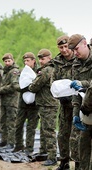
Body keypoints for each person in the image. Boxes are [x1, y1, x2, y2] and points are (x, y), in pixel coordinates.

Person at [51, 35, 80, 170]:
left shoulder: (79, 59)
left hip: (77, 103)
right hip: (64, 104)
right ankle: (64, 162)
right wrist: (59, 96)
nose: (64, 50)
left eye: (66, 46)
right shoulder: (57, 62)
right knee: (62, 134)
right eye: (61, 47)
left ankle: (79, 163)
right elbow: (53, 83)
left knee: (76, 135)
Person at [26, 49, 59, 166]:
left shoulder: (46, 71)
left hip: (48, 104)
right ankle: (44, 152)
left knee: (49, 131)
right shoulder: (50, 69)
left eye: (43, 58)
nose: (40, 61)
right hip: (46, 104)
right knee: (44, 130)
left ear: (49, 58)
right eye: (39, 58)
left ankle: (52, 156)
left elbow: (35, 86)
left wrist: (30, 85)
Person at [68, 34, 92, 170]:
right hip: (85, 114)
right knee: (83, 150)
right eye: (73, 51)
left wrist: (82, 83)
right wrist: (75, 114)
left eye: (77, 49)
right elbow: (75, 93)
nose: (75, 53)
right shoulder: (76, 64)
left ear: (84, 44)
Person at [0, 53, 20, 149]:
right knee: (3, 121)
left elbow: (13, 86)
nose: (7, 63)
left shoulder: (14, 71)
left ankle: (11, 142)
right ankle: (4, 140)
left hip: (12, 101)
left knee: (11, 122)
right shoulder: (5, 71)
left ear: (12, 60)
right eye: (5, 61)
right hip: (4, 100)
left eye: (8, 61)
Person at [12, 52, 39, 155]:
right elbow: (15, 84)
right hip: (22, 104)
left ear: (33, 60)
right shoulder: (22, 72)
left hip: (34, 105)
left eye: (28, 61)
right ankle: (18, 145)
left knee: (31, 127)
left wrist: (32, 87)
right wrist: (24, 87)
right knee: (18, 125)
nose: (26, 63)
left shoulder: (39, 72)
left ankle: (29, 148)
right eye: (24, 61)